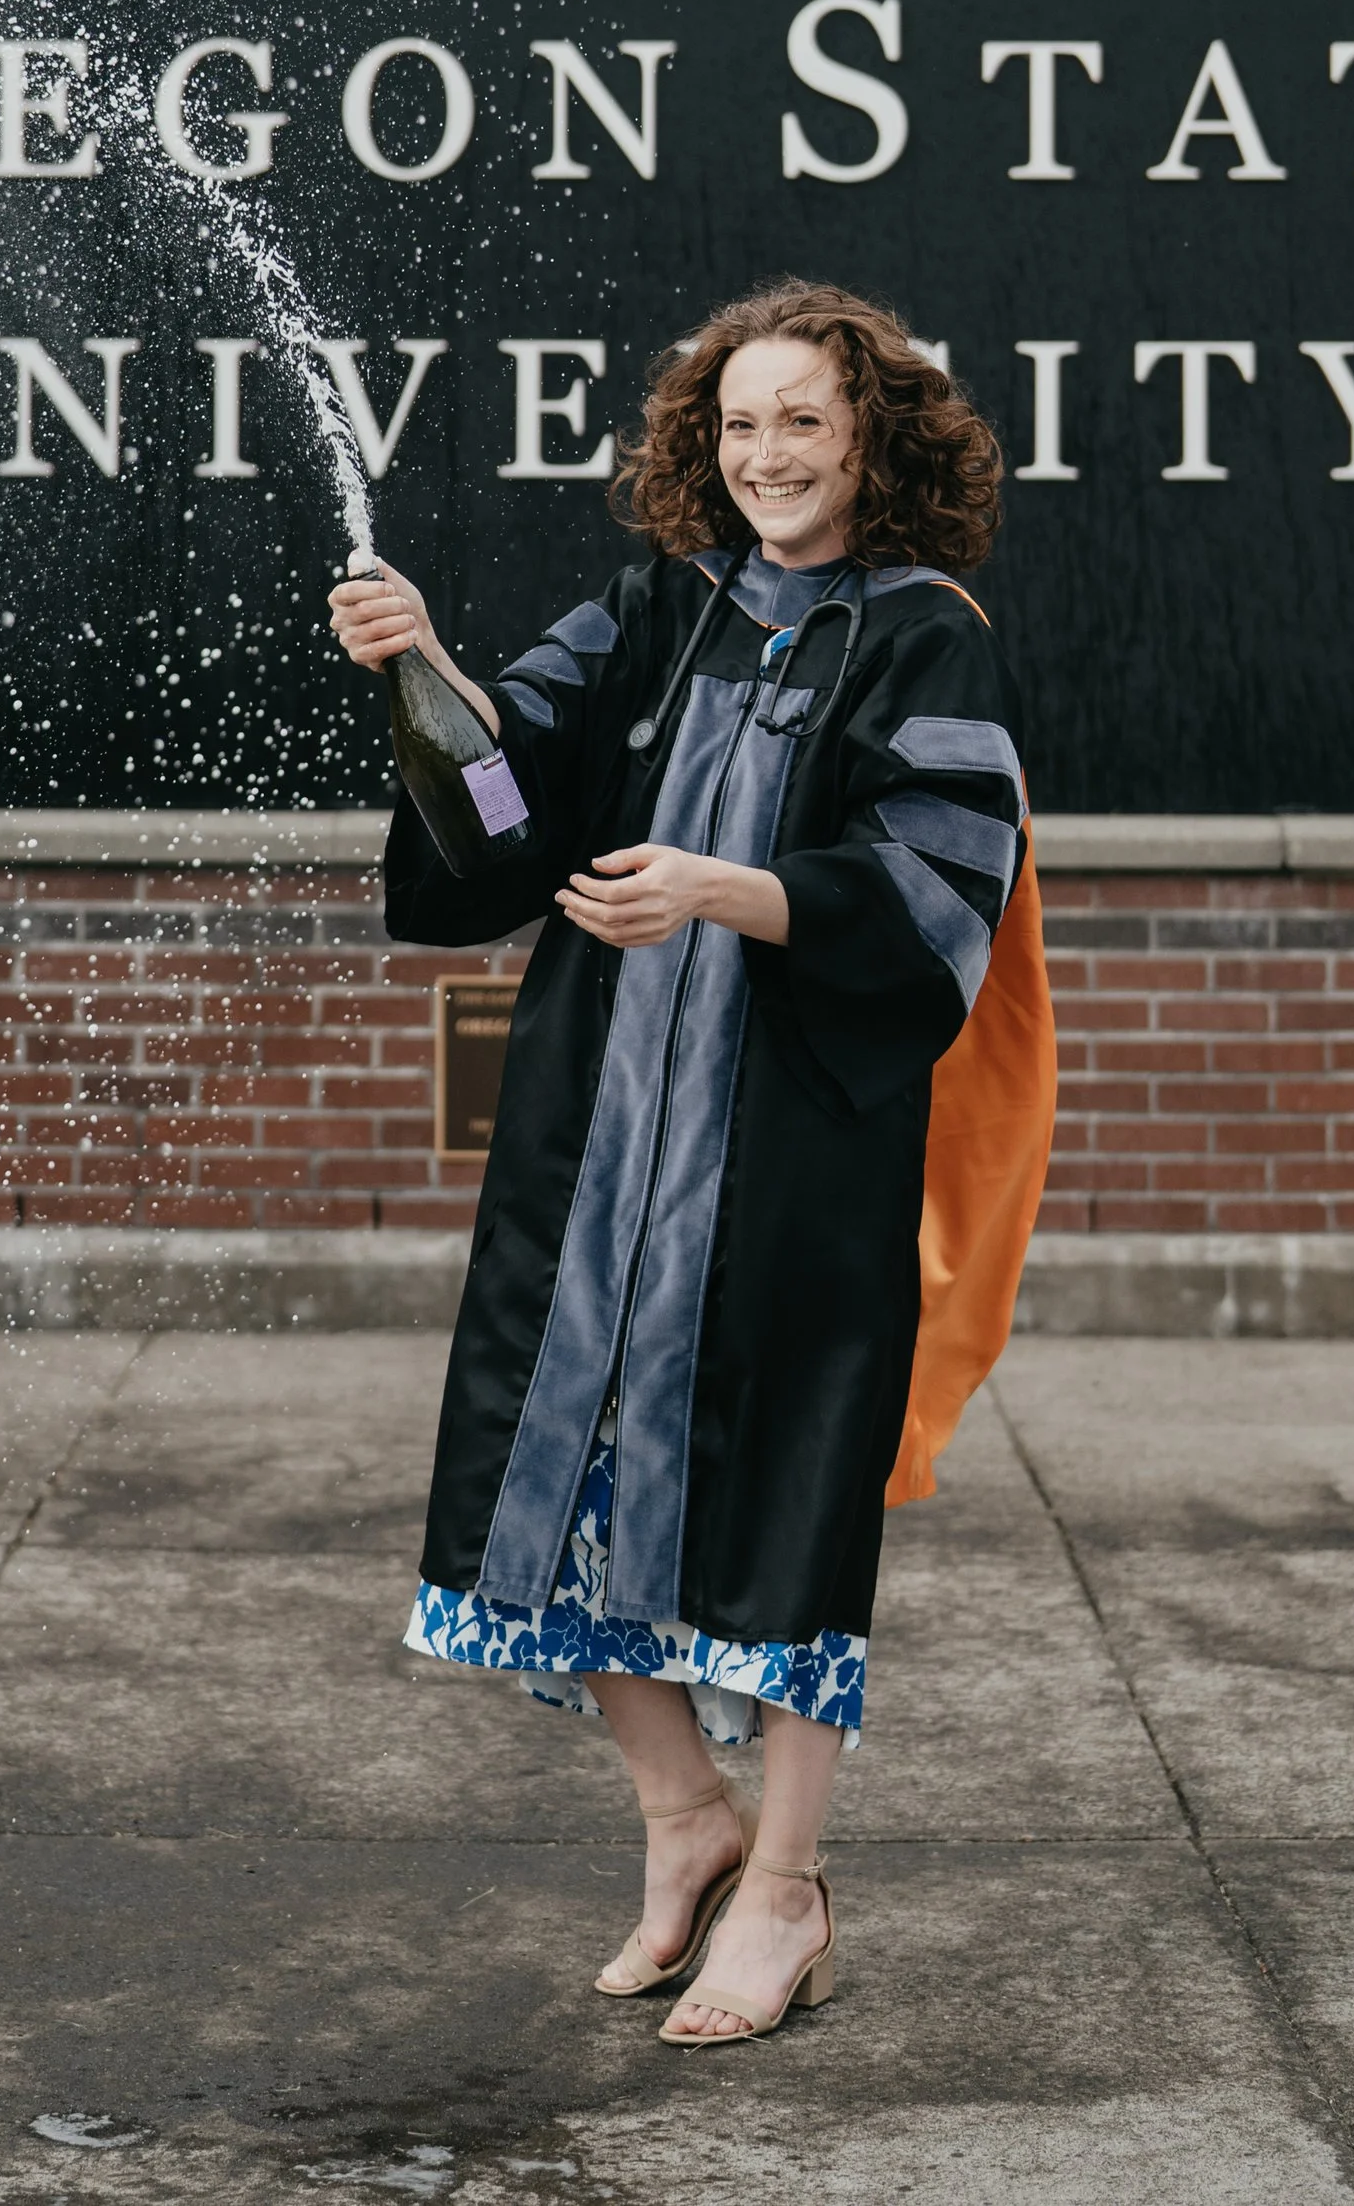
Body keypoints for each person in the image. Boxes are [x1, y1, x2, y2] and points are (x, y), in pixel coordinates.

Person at [329, 278, 1053, 2048]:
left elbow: (940, 885)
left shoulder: (924, 635)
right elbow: (504, 802)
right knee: (536, 1489)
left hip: (795, 1165)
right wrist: (425, 669)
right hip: (596, 1153)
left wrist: (727, 889)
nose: (767, 453)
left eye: (803, 418)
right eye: (739, 423)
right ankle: (682, 1817)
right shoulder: (665, 605)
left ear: (873, 433)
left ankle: (787, 1893)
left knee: (786, 1512)